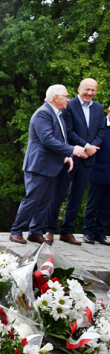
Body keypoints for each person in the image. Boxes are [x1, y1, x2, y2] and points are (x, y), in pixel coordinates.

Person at [10, 85, 87, 245]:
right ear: (55, 98)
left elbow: (59, 139)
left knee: (45, 200)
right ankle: (16, 231)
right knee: (33, 199)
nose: (68, 99)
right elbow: (47, 140)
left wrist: (66, 156)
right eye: (66, 96)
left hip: (53, 165)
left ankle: (35, 232)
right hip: (39, 166)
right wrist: (73, 150)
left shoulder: (57, 114)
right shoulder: (43, 113)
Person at [48, 78, 104, 246]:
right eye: (87, 89)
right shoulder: (69, 105)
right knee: (58, 194)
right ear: (79, 89)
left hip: (88, 160)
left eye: (93, 90)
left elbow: (101, 131)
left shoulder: (99, 108)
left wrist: (92, 148)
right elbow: (68, 131)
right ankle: (50, 230)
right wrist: (85, 146)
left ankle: (67, 231)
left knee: (77, 197)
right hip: (70, 157)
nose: (89, 93)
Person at [84, 105, 110, 245]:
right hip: (98, 171)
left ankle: (100, 232)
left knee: (107, 206)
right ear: (108, 111)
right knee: (93, 203)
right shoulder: (100, 127)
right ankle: (88, 231)